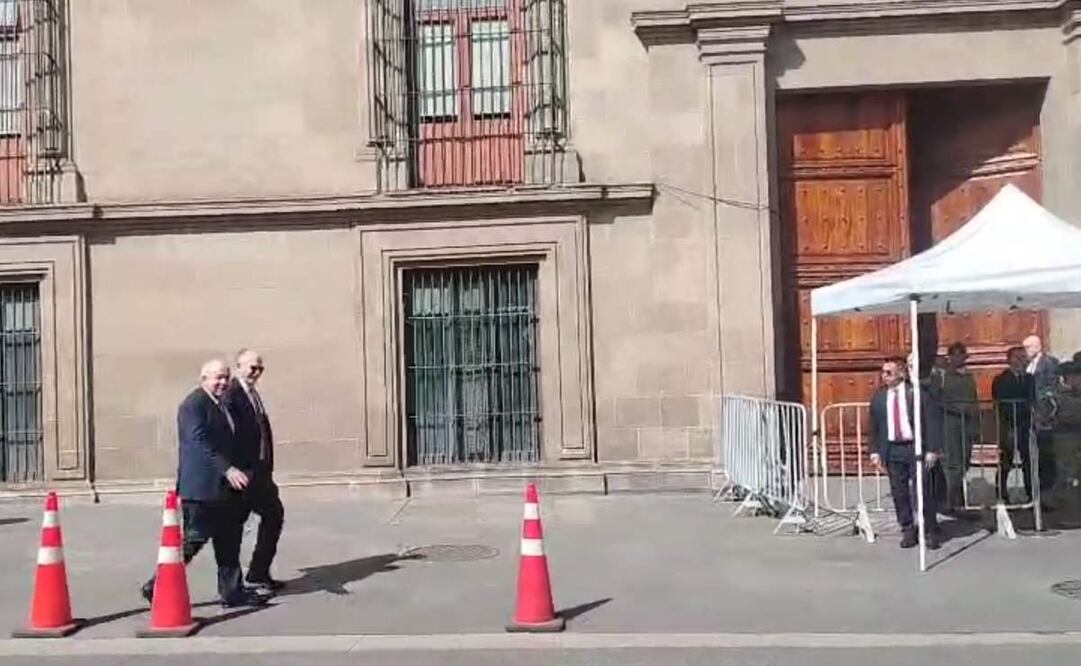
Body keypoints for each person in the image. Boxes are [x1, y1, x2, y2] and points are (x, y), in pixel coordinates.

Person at [141, 359, 268, 608]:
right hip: (201, 489)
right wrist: (227, 469)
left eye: (226, 377)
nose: (223, 382)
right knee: (193, 541)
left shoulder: (222, 405)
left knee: (229, 541)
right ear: (204, 379)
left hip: (224, 490)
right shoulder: (194, 404)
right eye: (218, 377)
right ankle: (155, 586)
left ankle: (232, 592)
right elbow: (198, 442)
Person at [224, 349, 285, 592]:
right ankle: (157, 583)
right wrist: (230, 470)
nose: (256, 372)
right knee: (215, 533)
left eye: (260, 368)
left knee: (274, 515)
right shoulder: (231, 395)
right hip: (242, 474)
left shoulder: (252, 394)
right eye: (252, 368)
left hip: (260, 474)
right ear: (238, 367)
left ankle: (258, 571)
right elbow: (227, 435)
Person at [870, 357, 942, 550]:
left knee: (923, 490)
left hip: (915, 448)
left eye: (889, 372)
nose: (884, 376)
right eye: (883, 372)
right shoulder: (879, 397)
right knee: (899, 492)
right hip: (893, 449)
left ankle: (930, 530)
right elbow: (875, 427)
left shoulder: (916, 393)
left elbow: (932, 421)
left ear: (901, 374)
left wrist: (932, 449)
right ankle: (908, 529)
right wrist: (875, 452)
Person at [927, 342, 979, 512]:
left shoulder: (968, 376)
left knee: (964, 461)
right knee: (952, 463)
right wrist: (955, 408)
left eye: (961, 355)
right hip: (949, 423)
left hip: (966, 423)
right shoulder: (942, 376)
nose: (959, 358)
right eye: (955, 355)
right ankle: (951, 501)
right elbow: (935, 399)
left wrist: (975, 423)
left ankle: (957, 497)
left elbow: (974, 399)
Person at [991, 346, 1036, 502]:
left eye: (1023, 357)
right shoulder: (1001, 379)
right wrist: (1010, 424)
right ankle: (1002, 493)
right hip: (1008, 425)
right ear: (1009, 360)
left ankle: (1031, 494)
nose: (1021, 360)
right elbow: (1001, 403)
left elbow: (1032, 400)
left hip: (1026, 425)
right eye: (1017, 357)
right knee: (1006, 461)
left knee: (1028, 461)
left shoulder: (1029, 379)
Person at [1024, 335, 1060, 502]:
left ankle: (1048, 492)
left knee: (1047, 455)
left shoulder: (1049, 363)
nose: (1026, 351)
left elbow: (1051, 387)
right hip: (1033, 416)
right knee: (1036, 455)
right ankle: (1036, 492)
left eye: (1028, 347)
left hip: (1045, 415)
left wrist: (1044, 406)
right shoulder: (1028, 364)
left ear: (1038, 346)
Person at [1048, 362, 1081, 514]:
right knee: (1067, 475)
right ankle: (1067, 511)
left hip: (1072, 435)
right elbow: (1051, 415)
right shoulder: (1057, 395)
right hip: (1065, 437)